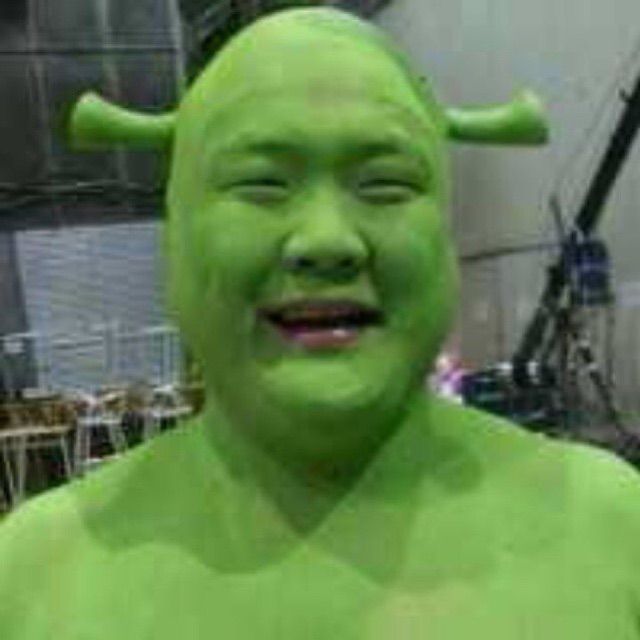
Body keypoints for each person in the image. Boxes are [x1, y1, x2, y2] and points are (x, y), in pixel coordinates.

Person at [1, 7, 640, 638]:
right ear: (174, 240)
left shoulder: (612, 528)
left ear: (446, 237)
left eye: (385, 185)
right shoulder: (34, 576)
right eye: (261, 184)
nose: (327, 240)